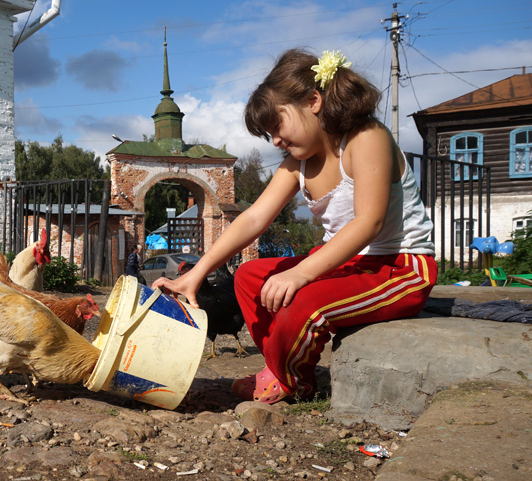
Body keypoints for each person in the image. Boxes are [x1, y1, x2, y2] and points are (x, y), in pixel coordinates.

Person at [153, 49, 437, 404]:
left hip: (399, 266)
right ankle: (279, 364)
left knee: (305, 301)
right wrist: (197, 272)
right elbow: (254, 217)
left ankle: (294, 381)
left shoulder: (366, 137)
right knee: (249, 277)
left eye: (277, 126)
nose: (274, 141)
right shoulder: (296, 163)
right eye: (268, 134)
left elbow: (369, 222)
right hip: (345, 264)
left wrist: (301, 274)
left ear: (313, 101)